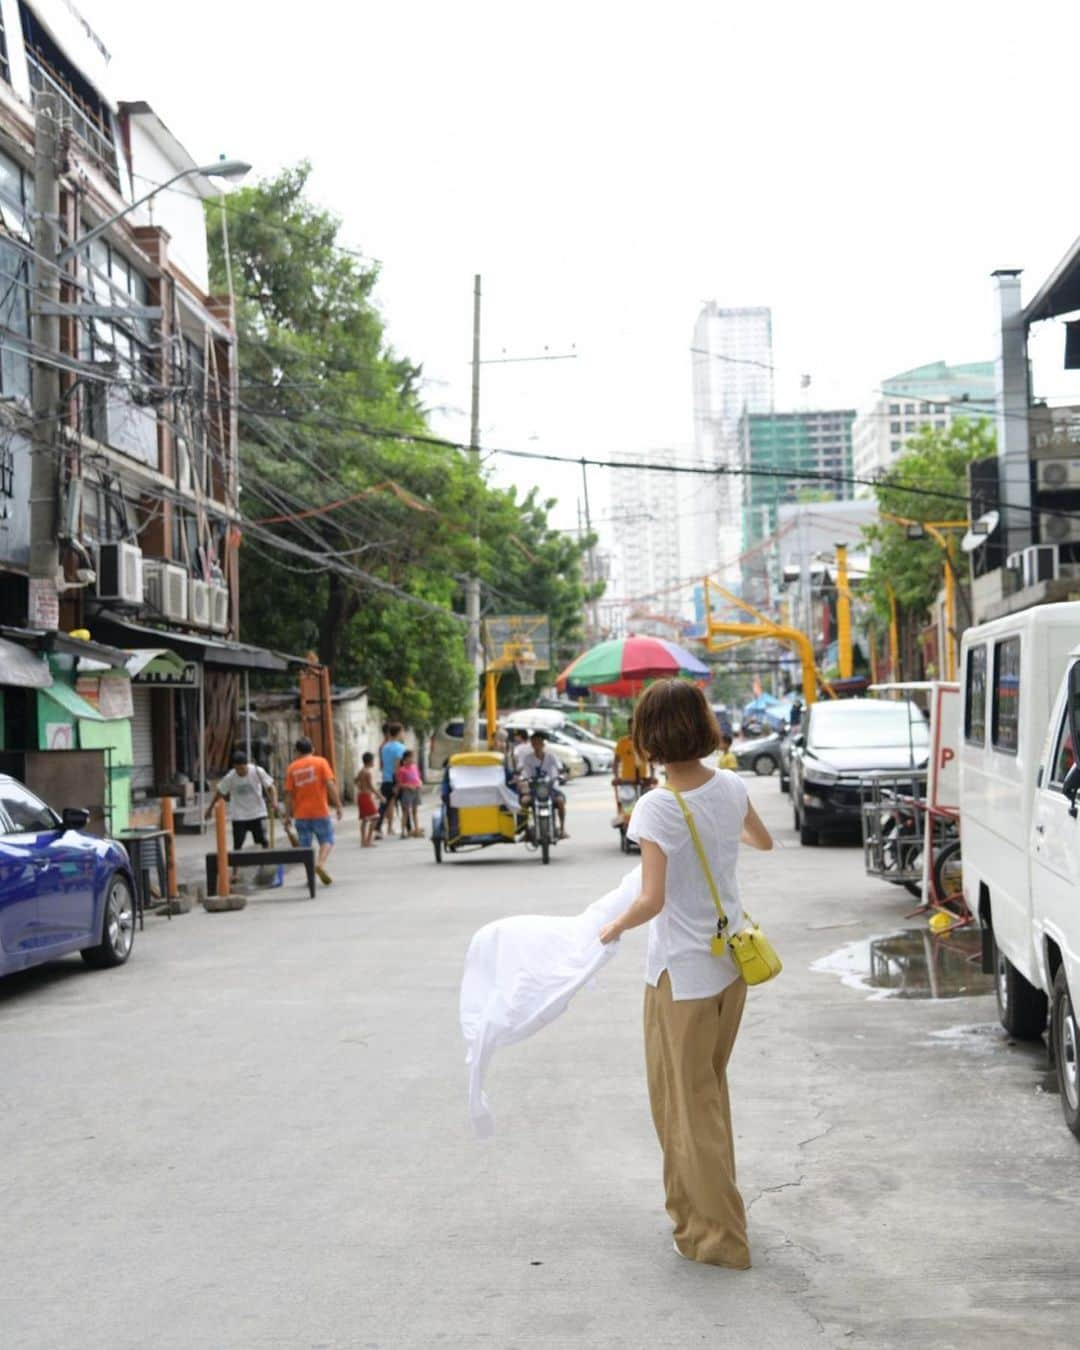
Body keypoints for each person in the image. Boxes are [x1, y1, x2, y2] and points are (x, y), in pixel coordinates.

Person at [598, 679, 773, 1268]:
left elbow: (651, 900)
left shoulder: (656, 805)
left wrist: (610, 928)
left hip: (684, 976)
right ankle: (697, 1221)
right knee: (706, 1095)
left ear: (648, 736)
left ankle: (720, 1237)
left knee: (684, 1104)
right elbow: (762, 840)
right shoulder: (730, 784)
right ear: (701, 725)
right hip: (732, 968)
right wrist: (722, 828)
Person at [204, 749, 277, 883]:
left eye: (242, 769)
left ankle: (266, 865)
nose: (240, 772)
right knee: (238, 845)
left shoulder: (257, 771)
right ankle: (235, 872)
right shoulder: (231, 777)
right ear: (234, 767)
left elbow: (271, 787)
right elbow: (219, 792)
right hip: (239, 815)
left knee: (262, 841)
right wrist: (209, 809)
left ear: (246, 765)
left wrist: (274, 802)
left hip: (257, 813)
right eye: (237, 769)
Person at [284, 736, 343, 885]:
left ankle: (310, 876)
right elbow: (329, 784)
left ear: (297, 751)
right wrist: (338, 805)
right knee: (327, 840)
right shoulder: (321, 762)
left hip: (301, 815)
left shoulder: (292, 768)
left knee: (305, 848)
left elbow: (289, 794)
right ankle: (320, 864)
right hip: (320, 812)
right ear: (313, 749)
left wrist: (287, 815)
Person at [515, 730, 568, 839]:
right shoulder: (527, 758)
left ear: (543, 744)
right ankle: (525, 831)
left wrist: (562, 774)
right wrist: (522, 778)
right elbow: (525, 773)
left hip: (550, 788)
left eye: (539, 742)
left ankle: (562, 829)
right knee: (524, 802)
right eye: (534, 743)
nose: (536, 745)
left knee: (561, 801)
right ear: (532, 744)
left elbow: (560, 769)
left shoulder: (551, 757)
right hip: (534, 789)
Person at [612, 729, 654, 825]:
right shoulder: (623, 742)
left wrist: (652, 776)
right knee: (628, 807)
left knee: (649, 802)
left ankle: (646, 824)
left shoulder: (645, 742)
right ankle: (627, 826)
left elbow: (651, 761)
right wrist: (616, 777)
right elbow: (616, 761)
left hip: (644, 780)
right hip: (627, 781)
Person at [376, 721, 407, 839]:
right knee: (404, 804)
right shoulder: (401, 748)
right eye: (403, 731)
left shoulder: (384, 747)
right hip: (396, 779)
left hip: (386, 778)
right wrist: (399, 782)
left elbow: (383, 764)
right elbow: (398, 766)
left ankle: (380, 828)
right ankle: (406, 829)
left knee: (385, 804)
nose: (404, 734)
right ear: (399, 732)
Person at [395, 749, 424, 838]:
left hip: (416, 790)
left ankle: (416, 829)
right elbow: (399, 784)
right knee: (406, 812)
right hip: (407, 792)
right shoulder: (402, 770)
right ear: (406, 759)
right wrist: (408, 786)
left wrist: (420, 783)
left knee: (415, 812)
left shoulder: (415, 767)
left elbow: (418, 778)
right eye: (411, 757)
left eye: (412, 757)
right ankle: (403, 832)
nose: (412, 759)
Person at [355, 751, 380, 848]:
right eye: (373, 760)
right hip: (366, 796)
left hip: (360, 796)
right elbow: (371, 786)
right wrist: (380, 795)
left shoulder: (361, 771)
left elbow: (355, 780)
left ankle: (363, 841)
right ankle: (368, 840)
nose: (374, 762)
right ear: (370, 761)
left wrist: (360, 787)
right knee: (375, 817)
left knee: (365, 819)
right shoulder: (368, 772)